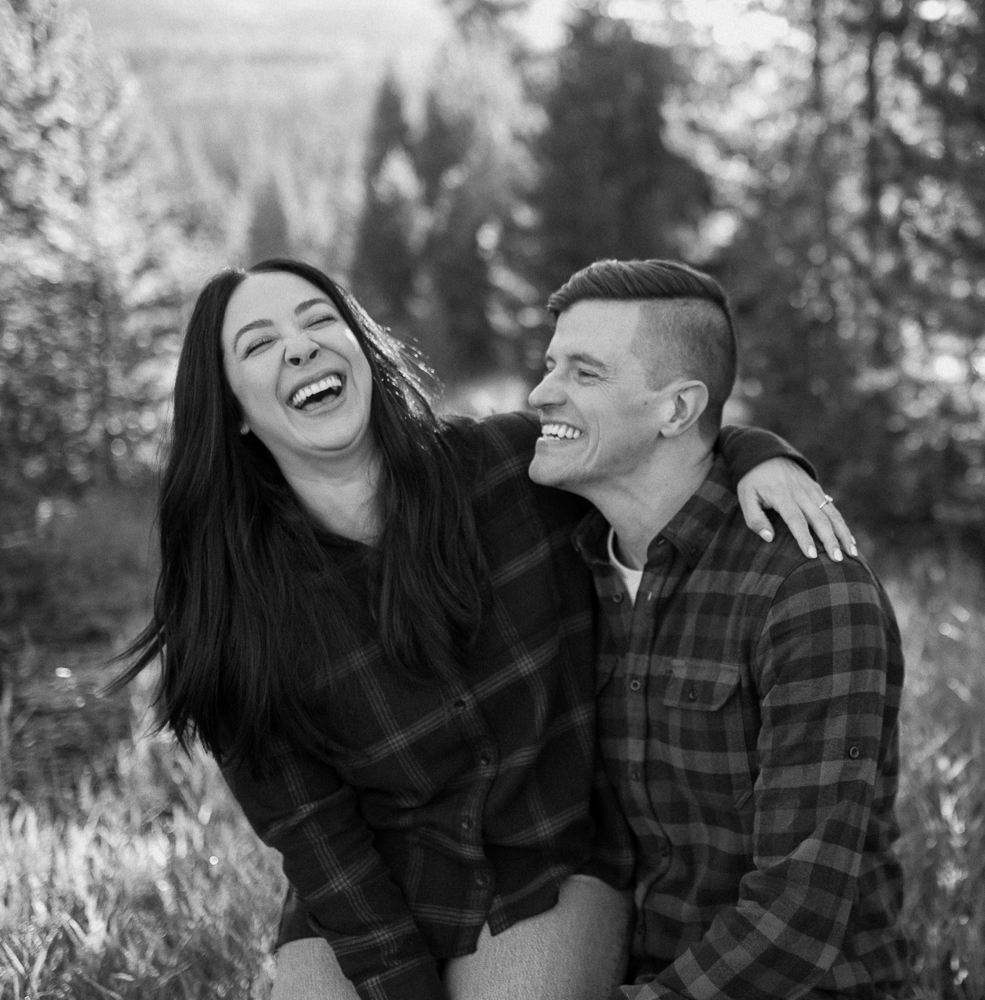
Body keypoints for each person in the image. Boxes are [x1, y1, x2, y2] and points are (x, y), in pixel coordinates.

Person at [114, 258, 853, 1000]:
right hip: (368, 891)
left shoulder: (508, 467)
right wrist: (400, 985)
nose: (299, 348)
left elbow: (646, 432)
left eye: (316, 321)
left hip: (548, 864)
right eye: (258, 344)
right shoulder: (232, 607)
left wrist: (761, 454)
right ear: (236, 409)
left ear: (363, 351)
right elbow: (314, 835)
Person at [528, 258, 908, 1000]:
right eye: (549, 365)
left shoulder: (808, 593)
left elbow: (798, 917)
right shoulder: (565, 558)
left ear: (675, 411)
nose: (542, 392)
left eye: (584, 372)